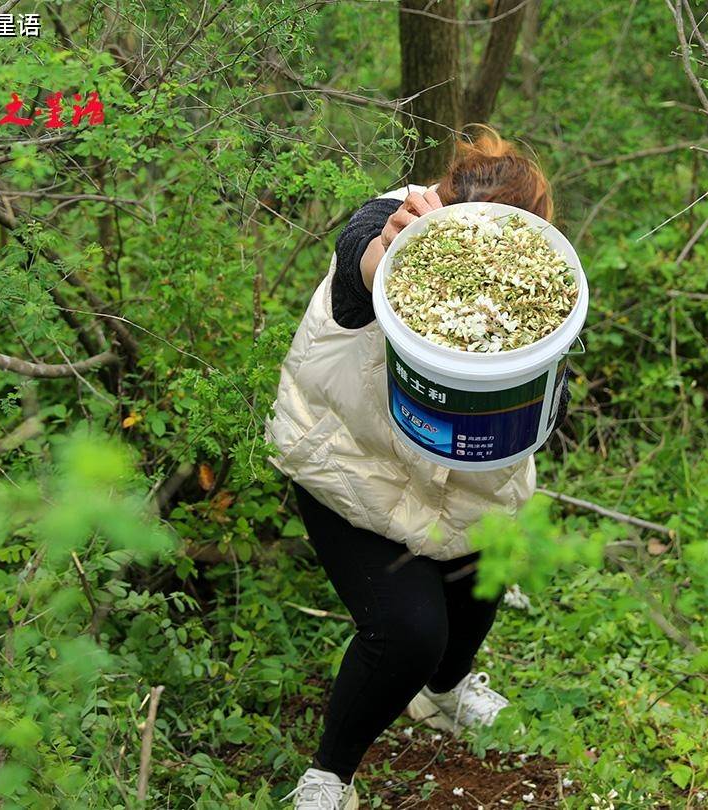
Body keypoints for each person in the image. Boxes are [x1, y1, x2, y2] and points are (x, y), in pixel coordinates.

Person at [268, 126, 565, 810]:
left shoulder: (542, 288)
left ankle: (446, 694)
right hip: (349, 474)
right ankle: (329, 778)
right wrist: (394, 252)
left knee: (482, 582)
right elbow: (362, 258)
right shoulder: (392, 221)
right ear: (443, 202)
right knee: (408, 632)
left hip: (466, 487)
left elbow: (553, 405)